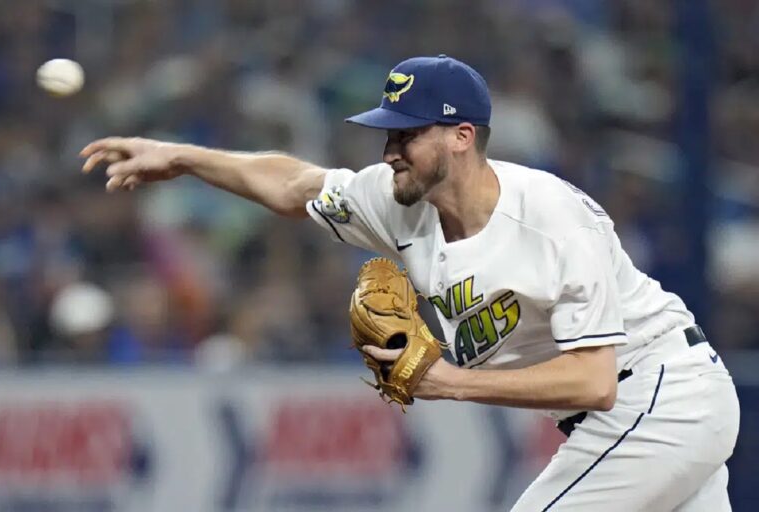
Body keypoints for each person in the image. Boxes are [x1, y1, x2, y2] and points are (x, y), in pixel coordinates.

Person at [81, 55, 740, 511]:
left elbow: (594, 381)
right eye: (385, 133)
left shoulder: (550, 220)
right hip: (636, 413)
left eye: (406, 134)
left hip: (658, 395)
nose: (389, 149)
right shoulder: (398, 201)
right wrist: (185, 157)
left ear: (460, 136)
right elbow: (294, 184)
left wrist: (447, 382)